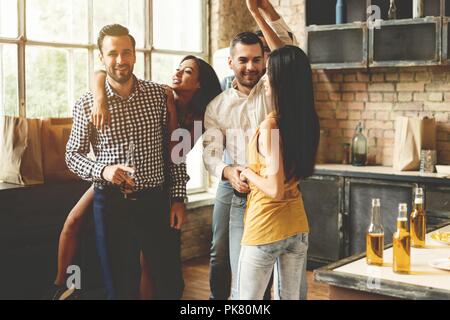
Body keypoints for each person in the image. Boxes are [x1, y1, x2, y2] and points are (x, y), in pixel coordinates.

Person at [51, 52, 221, 300]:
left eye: (187, 72)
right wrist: (99, 97)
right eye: (178, 68)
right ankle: (59, 285)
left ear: (199, 84)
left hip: (158, 184)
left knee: (147, 261)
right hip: (118, 176)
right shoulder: (154, 95)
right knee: (74, 220)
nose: (177, 73)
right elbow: (101, 74)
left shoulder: (196, 120)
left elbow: (175, 153)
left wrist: (171, 109)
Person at [66, 24, 191, 300]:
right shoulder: (87, 104)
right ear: (101, 58)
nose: (120, 60)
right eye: (112, 54)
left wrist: (179, 197)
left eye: (126, 52)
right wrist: (104, 170)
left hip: (156, 203)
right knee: (120, 289)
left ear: (135, 55)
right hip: (111, 205)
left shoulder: (159, 96)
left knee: (170, 285)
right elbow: (72, 156)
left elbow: (175, 150)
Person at [203, 0, 298, 300]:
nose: (250, 67)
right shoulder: (216, 107)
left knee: (261, 257)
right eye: (243, 60)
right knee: (221, 253)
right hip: (233, 184)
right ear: (230, 63)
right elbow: (210, 151)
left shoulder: (273, 88)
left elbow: (288, 51)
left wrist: (264, 11)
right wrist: (228, 172)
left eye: (257, 60)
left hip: (270, 185)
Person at [237, 43, 319, 299]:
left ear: (280, 80)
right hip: (296, 226)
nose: (264, 77)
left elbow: (275, 189)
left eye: (269, 71)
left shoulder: (272, 126)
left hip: (266, 227)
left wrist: (247, 173)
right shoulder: (307, 120)